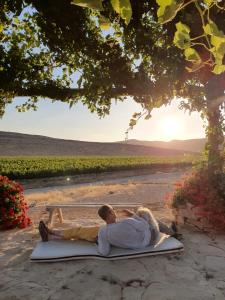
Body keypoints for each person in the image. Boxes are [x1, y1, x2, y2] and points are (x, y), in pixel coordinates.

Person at [97, 204, 177, 256]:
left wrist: (99, 241)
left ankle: (170, 230)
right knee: (144, 213)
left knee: (141, 216)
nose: (114, 211)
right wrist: (132, 215)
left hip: (136, 245)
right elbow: (145, 226)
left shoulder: (102, 231)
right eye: (113, 210)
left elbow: (104, 251)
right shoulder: (126, 221)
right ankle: (172, 232)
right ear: (110, 213)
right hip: (150, 239)